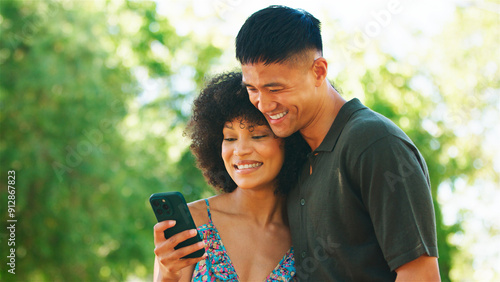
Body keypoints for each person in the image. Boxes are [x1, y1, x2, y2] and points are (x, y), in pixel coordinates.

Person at [235, 5, 440, 281]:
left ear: (319, 71)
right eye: (252, 89)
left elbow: (420, 274)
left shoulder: (374, 143)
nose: (264, 103)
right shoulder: (296, 154)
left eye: (276, 88)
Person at [153, 72, 309, 281]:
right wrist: (166, 275)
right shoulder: (194, 222)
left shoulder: (306, 236)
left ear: (289, 141)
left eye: (258, 135)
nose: (240, 150)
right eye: (230, 138)